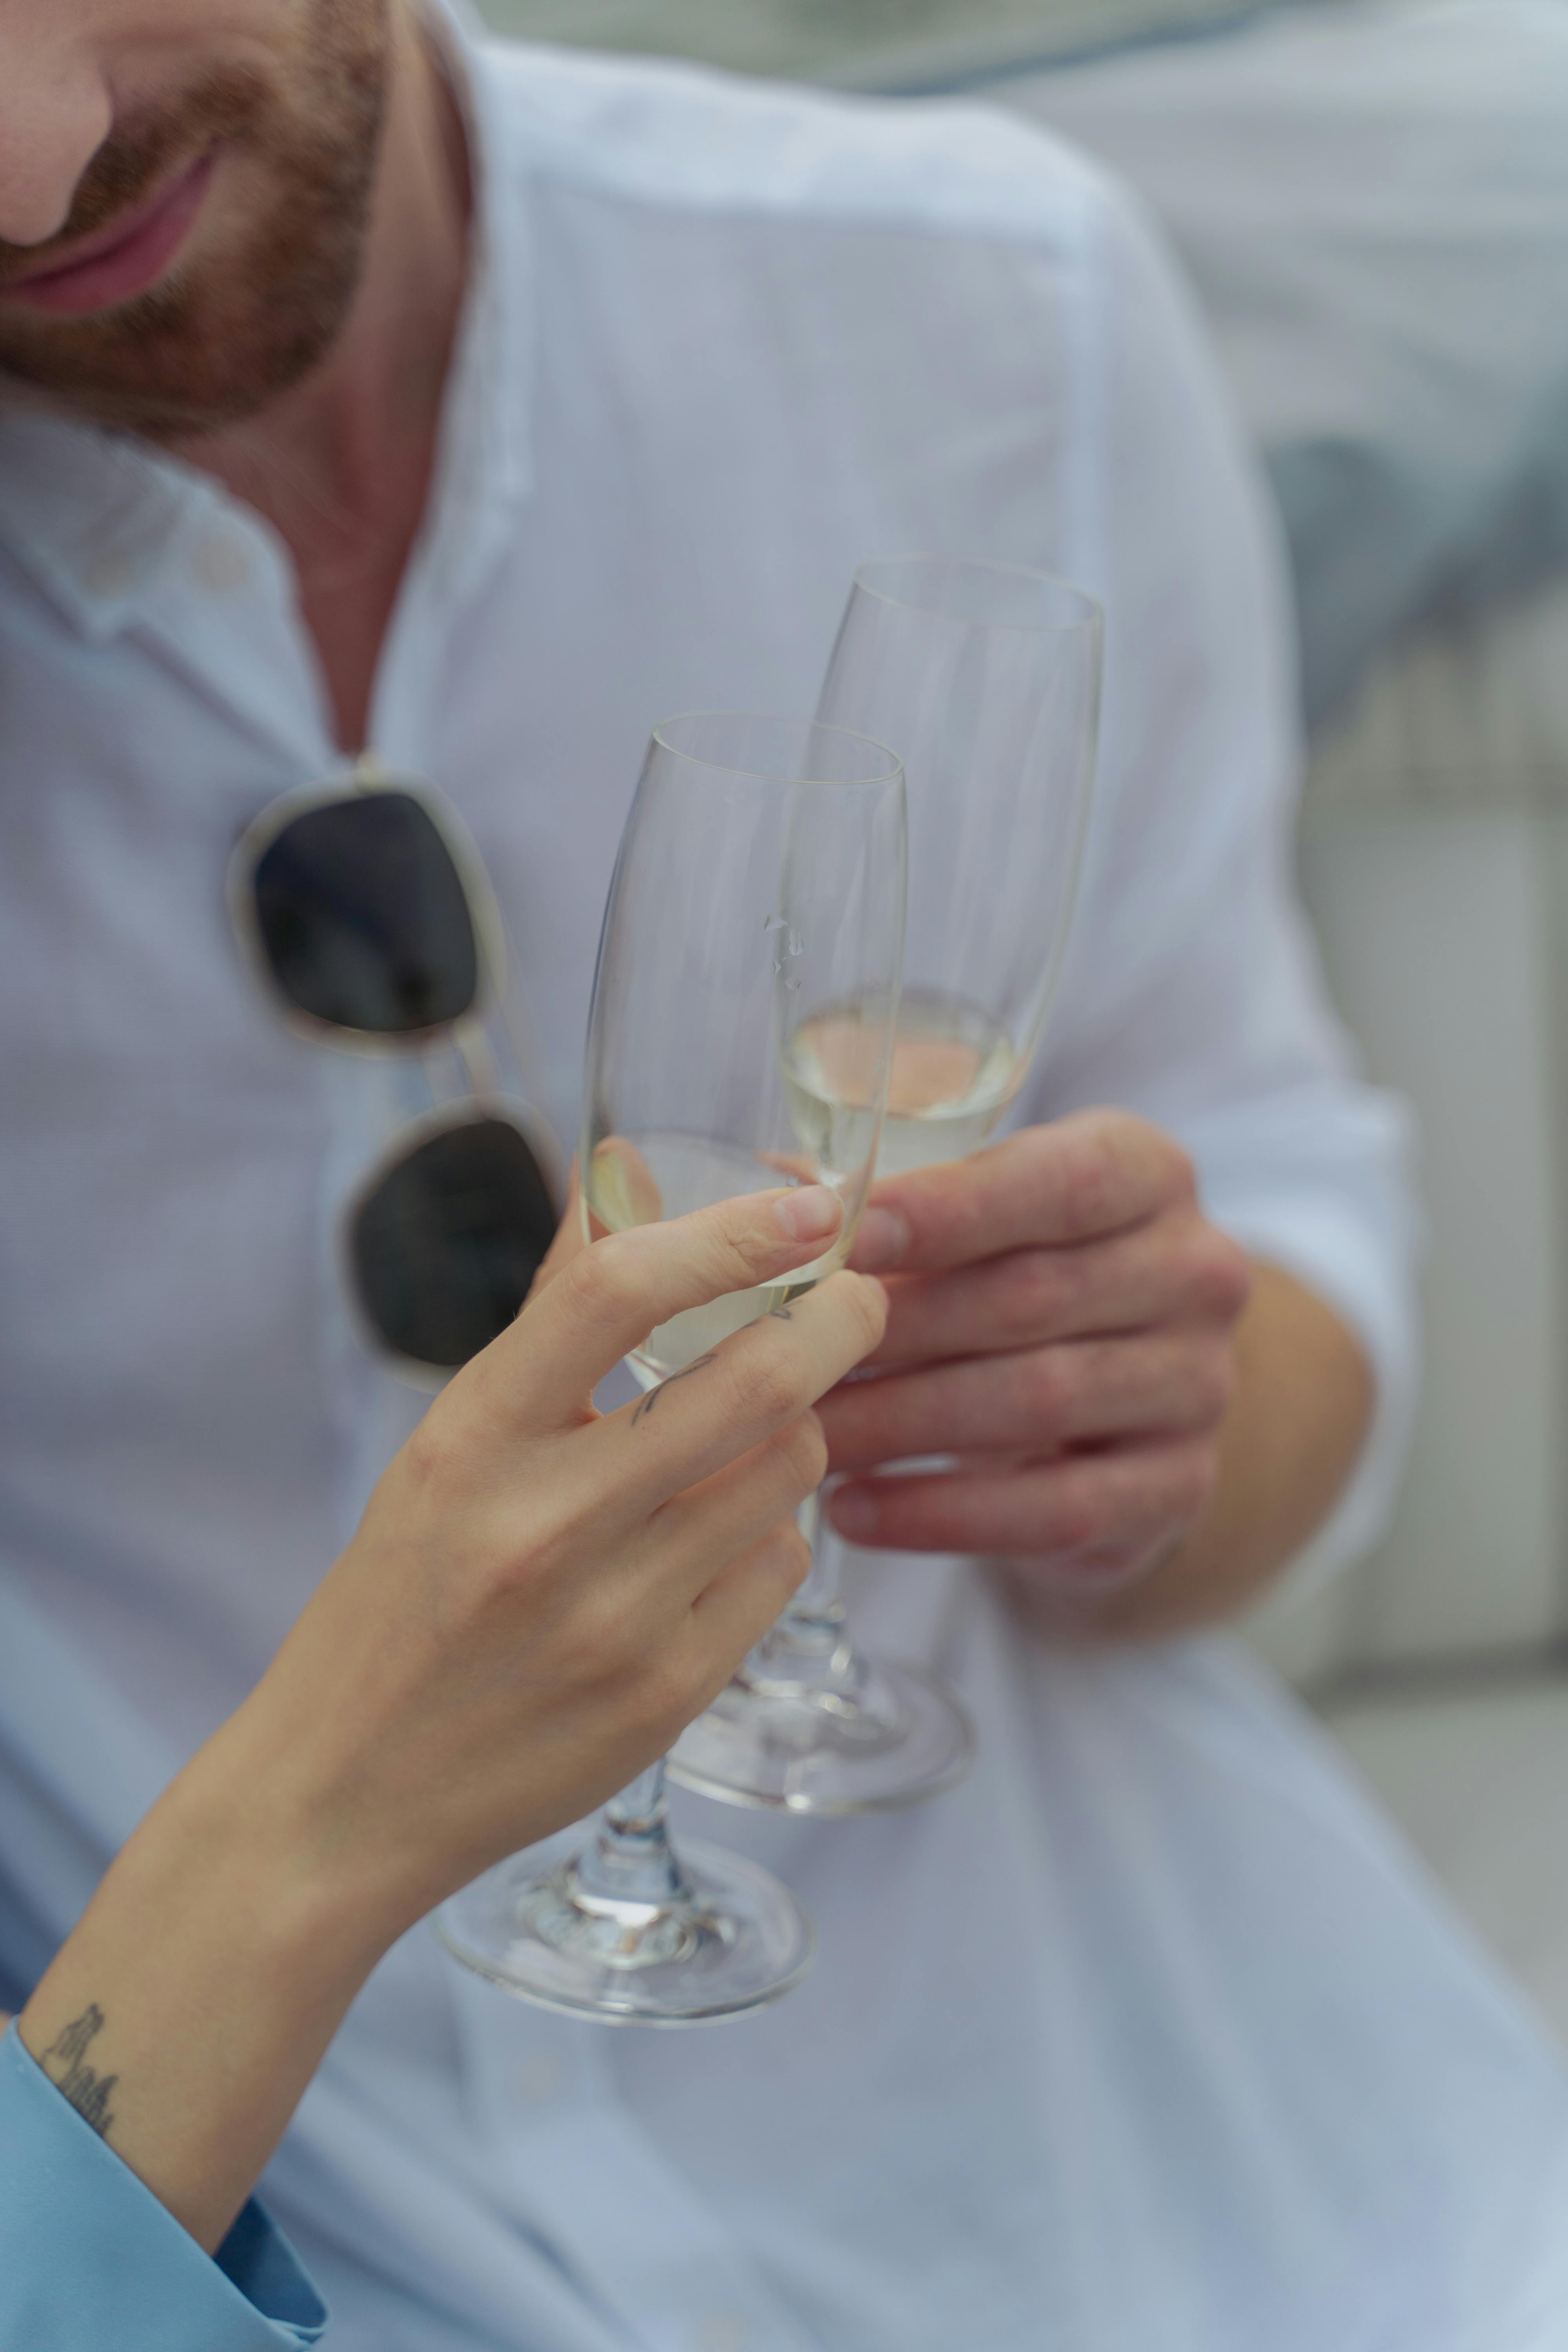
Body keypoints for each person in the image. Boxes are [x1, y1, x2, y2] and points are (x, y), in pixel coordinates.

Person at [0, 3, 1564, 2347]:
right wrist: (318, 1819)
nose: (32, 166)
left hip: (1180, 2167)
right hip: (280, 2238)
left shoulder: (993, 310)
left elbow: (1279, 1203)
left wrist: (1169, 1428)